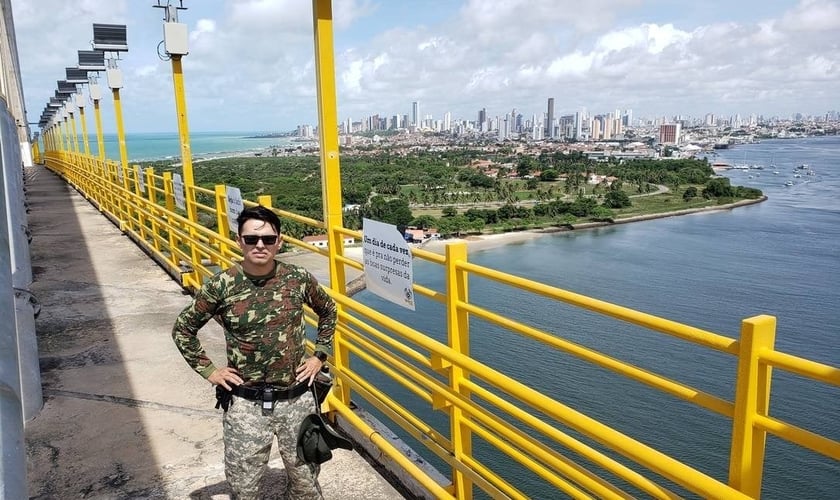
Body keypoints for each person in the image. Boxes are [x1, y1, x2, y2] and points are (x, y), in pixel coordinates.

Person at [172, 205, 337, 500]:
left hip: (296, 400)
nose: (260, 245)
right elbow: (183, 330)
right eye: (251, 239)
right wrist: (211, 371)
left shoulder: (297, 278)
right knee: (243, 488)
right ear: (239, 241)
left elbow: (328, 311)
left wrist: (319, 355)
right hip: (246, 403)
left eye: (268, 239)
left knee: (306, 486)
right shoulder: (220, 286)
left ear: (279, 242)